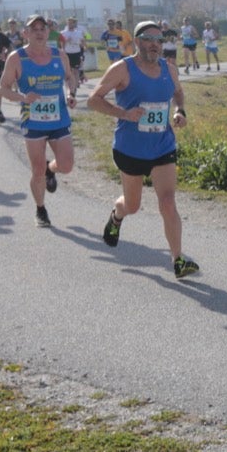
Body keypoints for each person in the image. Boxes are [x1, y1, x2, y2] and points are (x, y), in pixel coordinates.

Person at [87, 20, 199, 279]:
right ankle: (116, 216)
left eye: (160, 40)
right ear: (136, 41)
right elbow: (94, 100)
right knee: (133, 205)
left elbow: (178, 94)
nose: (155, 45)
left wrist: (180, 111)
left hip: (162, 145)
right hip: (130, 148)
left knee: (168, 202)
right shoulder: (122, 69)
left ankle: (178, 259)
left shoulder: (168, 69)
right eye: (149, 39)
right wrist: (124, 114)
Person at [0, 14, 78, 227]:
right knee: (36, 169)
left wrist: (71, 94)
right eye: (34, 29)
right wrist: (23, 98)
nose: (40, 32)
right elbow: (3, 88)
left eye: (43, 28)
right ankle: (41, 209)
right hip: (33, 121)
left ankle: (51, 169)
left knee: (67, 165)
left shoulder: (59, 55)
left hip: (59, 118)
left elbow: (70, 77)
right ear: (25, 34)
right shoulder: (17, 58)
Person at [58, 17, 86, 95]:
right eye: (69, 22)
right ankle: (70, 88)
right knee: (68, 72)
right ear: (67, 23)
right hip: (67, 53)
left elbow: (83, 43)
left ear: (74, 24)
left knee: (76, 71)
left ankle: (74, 87)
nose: (70, 24)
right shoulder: (63, 33)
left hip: (76, 53)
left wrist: (79, 43)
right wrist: (67, 41)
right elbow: (61, 45)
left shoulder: (79, 32)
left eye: (72, 23)